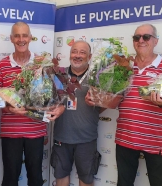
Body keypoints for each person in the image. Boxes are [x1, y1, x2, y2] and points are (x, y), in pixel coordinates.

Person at [0, 21, 63, 186]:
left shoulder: (41, 63)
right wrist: (9, 108)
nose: (21, 39)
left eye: (24, 35)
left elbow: (56, 93)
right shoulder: (2, 65)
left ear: (30, 37)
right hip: (11, 132)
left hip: (35, 131)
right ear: (11, 38)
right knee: (10, 178)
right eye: (17, 35)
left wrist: (56, 106)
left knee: (36, 177)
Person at [115, 24, 162, 186]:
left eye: (146, 37)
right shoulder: (125, 66)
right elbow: (113, 96)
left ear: (155, 41)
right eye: (137, 37)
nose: (141, 41)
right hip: (125, 138)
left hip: (155, 140)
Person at [49, 40, 101, 186]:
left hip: (86, 139)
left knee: (86, 179)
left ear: (89, 57)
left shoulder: (97, 77)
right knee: (61, 176)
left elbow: (105, 104)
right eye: (74, 51)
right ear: (70, 54)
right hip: (62, 137)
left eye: (82, 52)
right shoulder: (59, 75)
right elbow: (50, 101)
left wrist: (97, 102)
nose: (77, 55)